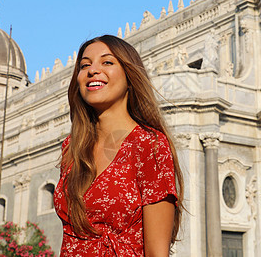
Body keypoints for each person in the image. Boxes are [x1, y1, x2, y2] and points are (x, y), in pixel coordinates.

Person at [54, 35, 184, 256]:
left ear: (129, 76)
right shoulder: (72, 148)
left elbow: (157, 252)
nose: (92, 70)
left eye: (107, 62)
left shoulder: (149, 145)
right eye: (85, 65)